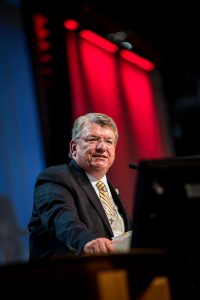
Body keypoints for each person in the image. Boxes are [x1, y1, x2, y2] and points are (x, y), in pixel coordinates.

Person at [28, 112, 132, 261]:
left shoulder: (109, 189)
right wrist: (87, 241)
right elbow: (62, 218)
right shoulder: (55, 178)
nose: (102, 147)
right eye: (92, 139)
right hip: (63, 277)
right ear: (74, 147)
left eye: (109, 141)